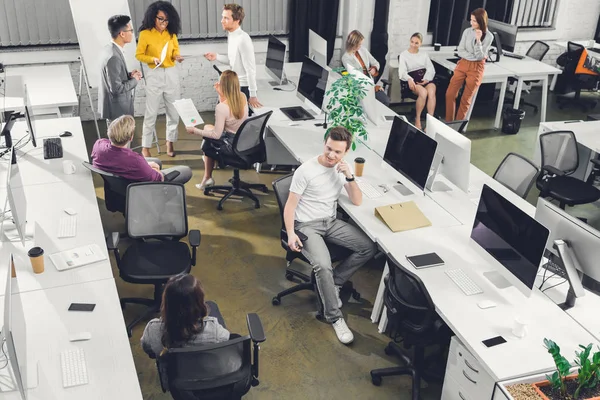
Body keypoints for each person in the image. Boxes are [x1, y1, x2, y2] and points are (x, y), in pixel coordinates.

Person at [284, 127, 377, 345]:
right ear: (324, 144)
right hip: (306, 225)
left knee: (368, 247)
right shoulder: (306, 171)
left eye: (337, 152)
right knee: (323, 265)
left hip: (330, 222)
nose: (331, 155)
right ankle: (334, 317)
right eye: (328, 149)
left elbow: (357, 201)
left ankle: (336, 282)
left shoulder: (341, 169)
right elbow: (290, 205)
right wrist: (290, 233)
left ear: (345, 152)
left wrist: (350, 176)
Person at [136, 1, 184, 158]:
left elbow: (175, 50)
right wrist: (152, 59)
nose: (164, 23)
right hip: (154, 75)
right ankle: (145, 146)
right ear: (153, 17)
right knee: (151, 113)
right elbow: (139, 54)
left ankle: (170, 141)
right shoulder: (145, 34)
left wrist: (177, 56)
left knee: (173, 112)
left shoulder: (171, 34)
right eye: (161, 19)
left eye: (167, 20)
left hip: (171, 74)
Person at [141, 274, 230, 359]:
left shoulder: (152, 329)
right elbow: (226, 340)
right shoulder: (214, 330)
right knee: (212, 305)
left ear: (166, 301)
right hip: (204, 369)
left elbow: (148, 349)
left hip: (173, 372)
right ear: (199, 302)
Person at [186, 70, 248, 190]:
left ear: (223, 85)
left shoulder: (222, 108)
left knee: (207, 141)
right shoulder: (243, 96)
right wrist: (221, 95)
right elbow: (227, 113)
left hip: (230, 144)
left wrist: (194, 131)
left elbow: (216, 135)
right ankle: (208, 171)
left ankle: (207, 175)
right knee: (207, 127)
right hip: (242, 139)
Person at [91, 115, 192, 184]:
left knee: (156, 161)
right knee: (186, 171)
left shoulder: (98, 145)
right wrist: (155, 169)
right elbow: (158, 178)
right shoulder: (135, 160)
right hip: (138, 185)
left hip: (119, 184)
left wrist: (148, 165)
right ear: (131, 138)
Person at [203, 3, 261, 111]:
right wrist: (216, 56)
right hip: (235, 85)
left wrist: (253, 95)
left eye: (226, 18)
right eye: (222, 17)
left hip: (242, 88)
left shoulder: (243, 39)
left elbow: (250, 69)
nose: (222, 20)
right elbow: (232, 61)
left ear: (237, 20)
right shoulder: (231, 35)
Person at [445, 8, 493, 122]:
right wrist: (473, 56)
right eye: (471, 20)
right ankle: (449, 122)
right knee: (450, 94)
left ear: (482, 21)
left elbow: (479, 57)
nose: (471, 23)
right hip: (463, 64)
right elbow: (460, 51)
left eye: (475, 21)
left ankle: (457, 127)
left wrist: (478, 41)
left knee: (466, 99)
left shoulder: (489, 36)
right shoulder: (467, 31)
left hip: (476, 68)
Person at [98, 15, 142, 127]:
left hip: (116, 109)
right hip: (118, 111)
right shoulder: (114, 56)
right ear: (122, 34)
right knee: (122, 144)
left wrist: (129, 75)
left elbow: (113, 77)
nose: (132, 33)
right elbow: (116, 89)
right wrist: (135, 80)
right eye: (131, 30)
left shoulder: (109, 49)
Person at [341, 30, 390, 106]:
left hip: (370, 83)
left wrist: (374, 68)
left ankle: (376, 117)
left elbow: (376, 63)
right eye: (359, 44)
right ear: (353, 44)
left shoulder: (363, 50)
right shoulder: (346, 58)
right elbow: (356, 77)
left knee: (385, 101)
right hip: (359, 87)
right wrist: (373, 87)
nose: (360, 46)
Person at [398, 32, 436, 130]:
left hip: (424, 78)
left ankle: (430, 123)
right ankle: (417, 119)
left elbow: (430, 68)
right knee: (423, 93)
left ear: (421, 44)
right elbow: (402, 71)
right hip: (413, 80)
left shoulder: (424, 54)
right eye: (412, 42)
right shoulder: (404, 55)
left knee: (431, 92)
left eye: (416, 43)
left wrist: (426, 79)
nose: (413, 45)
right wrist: (410, 79)